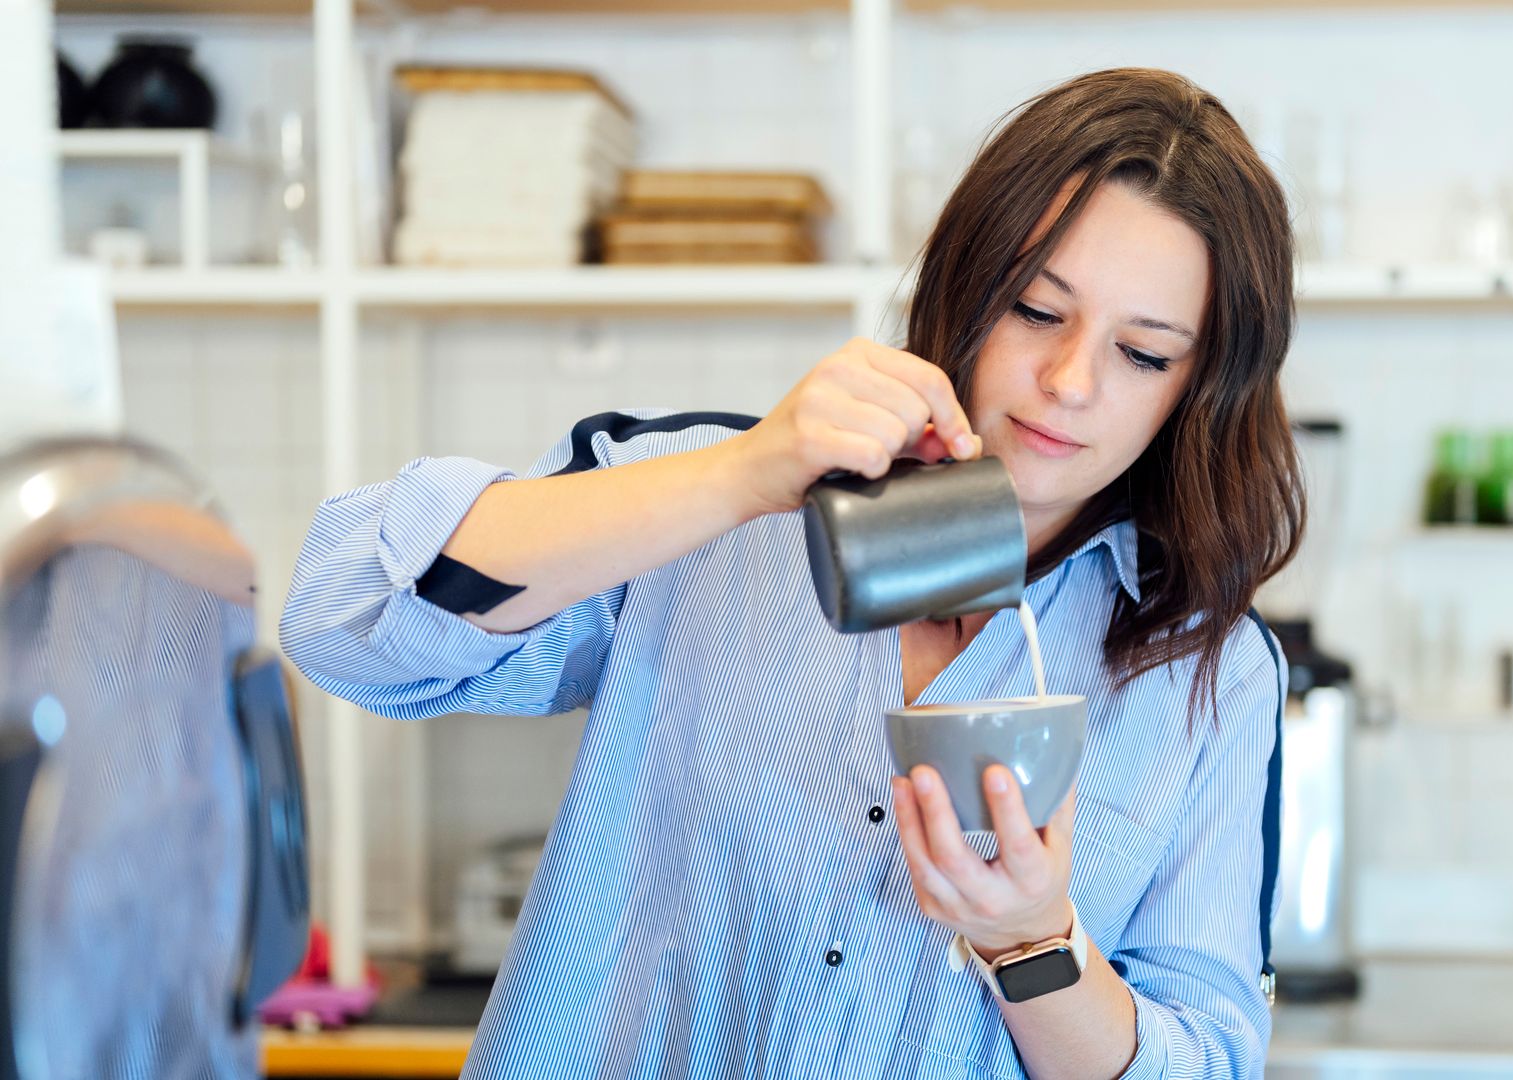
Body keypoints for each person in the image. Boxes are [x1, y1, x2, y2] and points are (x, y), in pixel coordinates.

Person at [282, 66, 1305, 1080]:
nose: (1070, 382)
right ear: (969, 282)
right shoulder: (721, 502)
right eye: (1038, 310)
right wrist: (739, 476)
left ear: (1198, 389)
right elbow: (345, 617)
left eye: (1143, 354)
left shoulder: (1209, 672)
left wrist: (1033, 946)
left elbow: (1202, 1062)